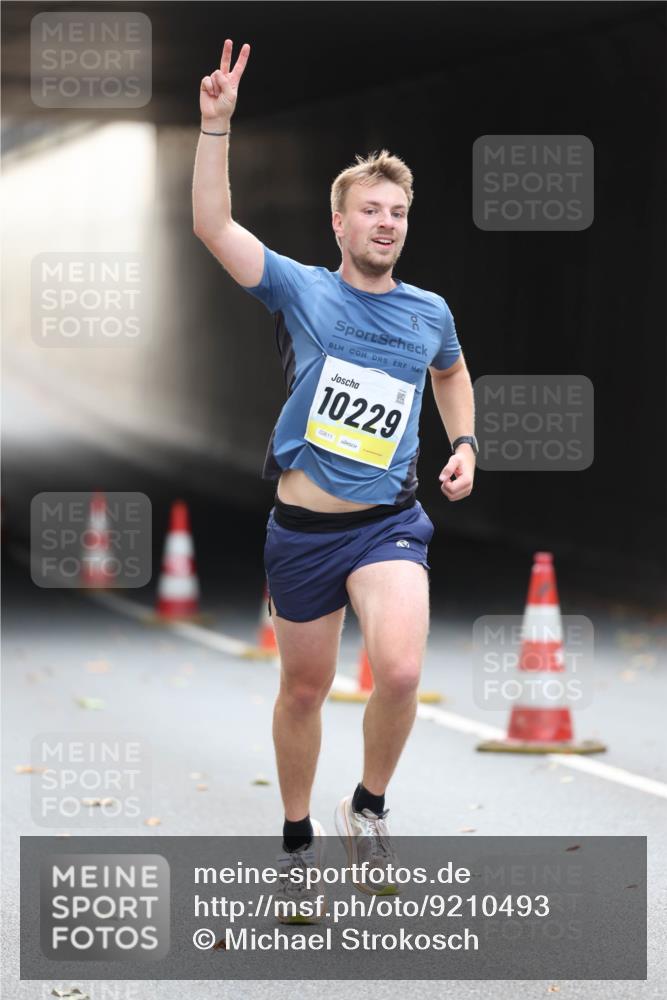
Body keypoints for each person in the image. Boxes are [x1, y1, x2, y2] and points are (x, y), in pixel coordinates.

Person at [193, 40, 477, 922]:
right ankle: (295, 841)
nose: (387, 223)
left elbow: (450, 374)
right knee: (304, 691)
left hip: (387, 522)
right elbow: (213, 227)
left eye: (397, 212)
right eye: (371, 211)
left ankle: (370, 807)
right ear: (340, 226)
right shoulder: (303, 291)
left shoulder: (429, 311)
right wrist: (215, 129)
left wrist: (464, 441)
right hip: (301, 531)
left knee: (396, 670)